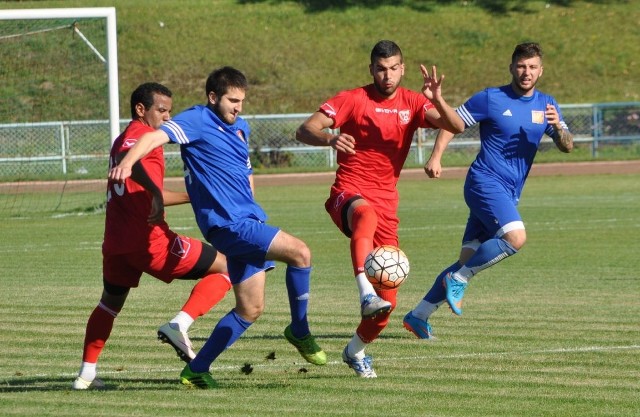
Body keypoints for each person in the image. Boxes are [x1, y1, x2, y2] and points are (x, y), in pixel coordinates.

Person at [109, 66, 326, 389]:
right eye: (231, 100)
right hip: (228, 225)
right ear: (213, 97)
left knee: (250, 308)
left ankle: (196, 369)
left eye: (241, 101)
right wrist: (127, 162)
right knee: (300, 253)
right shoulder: (197, 120)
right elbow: (155, 136)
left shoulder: (242, 128)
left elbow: (245, 171)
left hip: (249, 221)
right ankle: (300, 330)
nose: (238, 107)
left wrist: (252, 204)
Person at [295, 40, 464, 377]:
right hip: (348, 194)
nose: (387, 75)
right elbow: (305, 129)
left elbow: (456, 126)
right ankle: (364, 291)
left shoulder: (414, 102)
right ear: (371, 69)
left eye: (394, 68)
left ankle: (355, 351)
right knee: (365, 215)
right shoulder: (353, 99)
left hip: (388, 205)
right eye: (381, 68)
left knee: (388, 305)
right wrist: (329, 138)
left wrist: (437, 99)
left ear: (402, 69)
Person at [403, 42, 573, 338]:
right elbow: (452, 124)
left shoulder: (547, 105)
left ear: (541, 71)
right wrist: (436, 156)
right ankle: (459, 278)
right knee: (515, 237)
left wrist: (559, 127)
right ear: (511, 68)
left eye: (532, 67)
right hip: (484, 182)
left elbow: (567, 146)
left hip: (508, 192)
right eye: (521, 66)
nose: (526, 72)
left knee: (469, 257)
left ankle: (419, 315)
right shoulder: (491, 98)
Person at [72, 83, 232, 390]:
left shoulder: (124, 139)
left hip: (116, 244)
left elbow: (132, 172)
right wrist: (193, 195)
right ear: (140, 109)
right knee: (227, 266)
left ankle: (86, 374)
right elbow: (140, 176)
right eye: (161, 110)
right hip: (150, 242)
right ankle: (179, 325)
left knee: (108, 305)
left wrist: (177, 195)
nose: (167, 117)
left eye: (170, 110)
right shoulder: (145, 140)